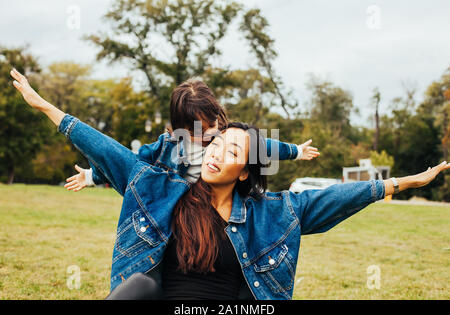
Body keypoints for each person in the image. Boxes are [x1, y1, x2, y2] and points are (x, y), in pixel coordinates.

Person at [10, 68, 450, 300]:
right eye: (215, 142)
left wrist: (400, 182)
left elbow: (333, 196)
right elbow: (108, 149)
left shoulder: (271, 212)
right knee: (139, 287)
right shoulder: (160, 184)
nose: (217, 149)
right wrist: (44, 105)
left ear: (246, 169)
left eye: (234, 150)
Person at [62, 79, 319, 192]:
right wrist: (93, 176)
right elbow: (129, 161)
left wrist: (295, 150)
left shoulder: (227, 137)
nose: (211, 132)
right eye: (201, 129)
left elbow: (264, 146)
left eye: (214, 122)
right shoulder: (166, 148)